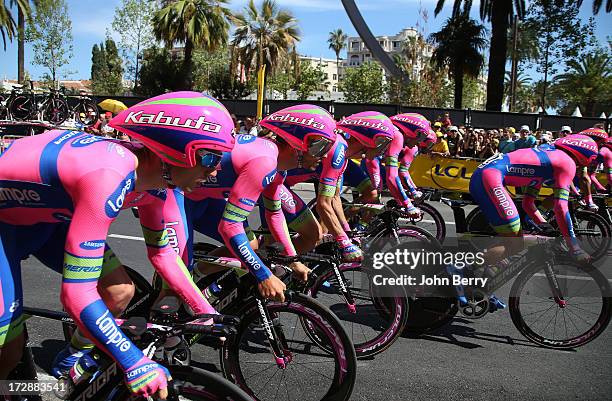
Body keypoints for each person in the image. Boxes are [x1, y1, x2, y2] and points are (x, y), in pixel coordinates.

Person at [0, 91, 235, 398]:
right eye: (210, 157)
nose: (216, 170)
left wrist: (205, 311)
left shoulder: (156, 185)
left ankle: (69, 363)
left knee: (119, 291)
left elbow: (163, 254)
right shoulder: (108, 175)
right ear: (176, 150)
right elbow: (76, 294)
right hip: (6, 229)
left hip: (49, 220)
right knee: (8, 352)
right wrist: (132, 361)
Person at [186, 105, 337, 302]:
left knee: (251, 246)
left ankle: (201, 281)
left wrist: (292, 260)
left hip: (206, 199)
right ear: (297, 143)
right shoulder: (265, 162)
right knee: (175, 283)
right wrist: (263, 275)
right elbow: (229, 227)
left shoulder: (278, 166)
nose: (325, 155)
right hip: (182, 200)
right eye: (320, 147)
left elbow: (274, 214)